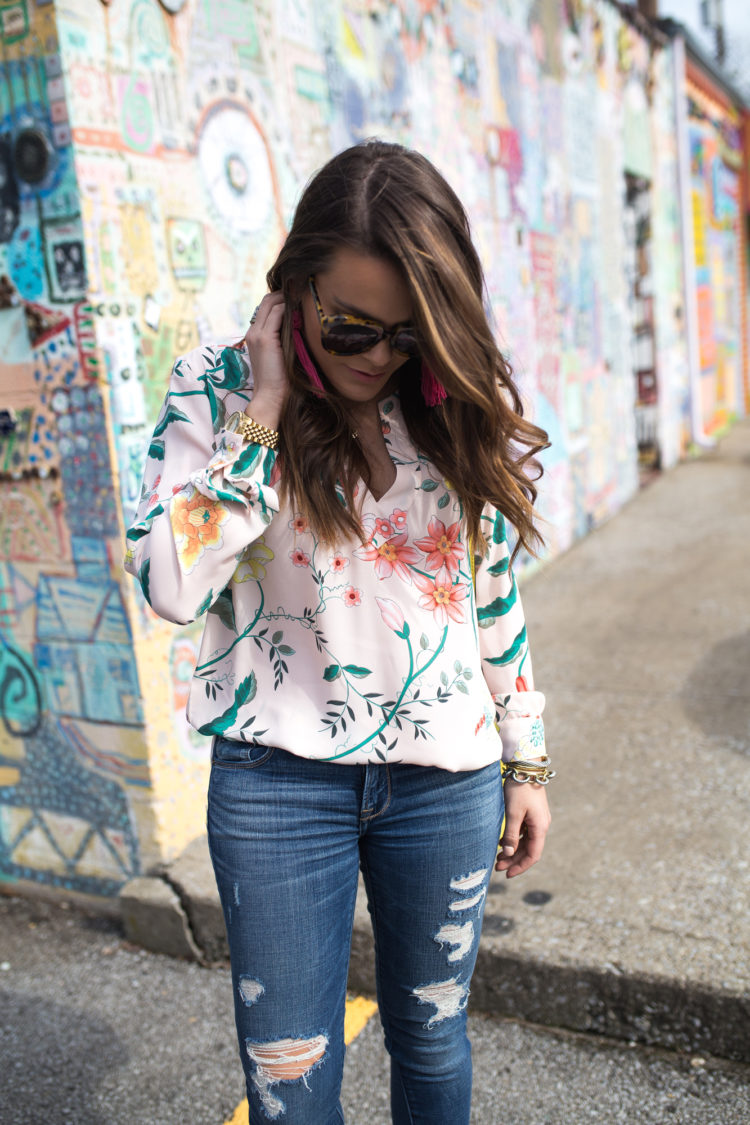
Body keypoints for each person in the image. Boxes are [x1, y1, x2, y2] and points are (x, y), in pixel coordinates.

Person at [125, 140, 553, 1125]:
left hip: (447, 780)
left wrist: (526, 758)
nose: (376, 359)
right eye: (353, 326)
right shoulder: (220, 386)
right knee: (289, 1071)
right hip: (279, 785)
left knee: (434, 1036)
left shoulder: (442, 390)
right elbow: (169, 582)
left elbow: (490, 588)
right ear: (300, 281)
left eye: (407, 336)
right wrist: (265, 418)